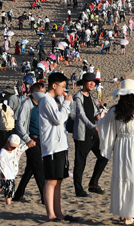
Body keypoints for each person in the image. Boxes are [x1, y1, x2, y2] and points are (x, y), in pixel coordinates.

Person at [98, 78, 134, 226]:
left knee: (123, 178)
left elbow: (104, 128)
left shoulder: (114, 111)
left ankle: (125, 215)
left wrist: (108, 147)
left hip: (121, 146)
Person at [39, 72, 73, 222]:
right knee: (51, 180)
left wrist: (64, 102)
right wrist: (66, 103)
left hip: (60, 146)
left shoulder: (53, 100)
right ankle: (51, 214)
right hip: (52, 146)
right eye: (63, 86)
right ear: (54, 86)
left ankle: (58, 212)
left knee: (58, 180)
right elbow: (59, 120)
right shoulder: (46, 100)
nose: (64, 89)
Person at [73, 73, 108, 197]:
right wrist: (92, 127)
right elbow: (81, 115)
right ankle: (79, 190)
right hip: (83, 134)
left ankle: (93, 183)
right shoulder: (77, 97)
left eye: (94, 82)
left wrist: (101, 122)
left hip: (93, 134)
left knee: (104, 155)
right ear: (83, 82)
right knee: (80, 162)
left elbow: (95, 113)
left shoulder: (91, 96)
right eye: (90, 81)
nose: (93, 84)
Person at [13, 81, 46, 203]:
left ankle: (18, 194)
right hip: (31, 140)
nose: (45, 94)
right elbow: (20, 124)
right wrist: (28, 139)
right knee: (39, 168)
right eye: (42, 92)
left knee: (31, 168)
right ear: (35, 93)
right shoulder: (27, 104)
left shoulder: (42, 104)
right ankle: (44, 197)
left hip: (41, 140)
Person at [0, 133, 29, 204]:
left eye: (14, 147)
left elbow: (20, 150)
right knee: (8, 188)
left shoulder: (15, 150)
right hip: (5, 173)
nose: (13, 148)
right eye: (12, 146)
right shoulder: (2, 153)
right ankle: (8, 202)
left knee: (9, 187)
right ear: (7, 142)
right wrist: (2, 173)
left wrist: (28, 145)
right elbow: (0, 164)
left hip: (12, 173)